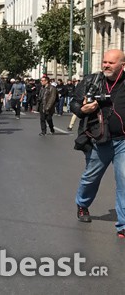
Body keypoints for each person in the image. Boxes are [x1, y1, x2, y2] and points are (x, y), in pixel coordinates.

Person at [71, 49, 125, 239]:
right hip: (99, 139)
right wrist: (83, 108)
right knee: (91, 178)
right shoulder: (91, 81)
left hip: (123, 142)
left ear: (122, 65)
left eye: (111, 63)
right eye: (104, 62)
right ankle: (82, 204)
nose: (106, 66)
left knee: (124, 181)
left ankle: (123, 225)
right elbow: (74, 104)